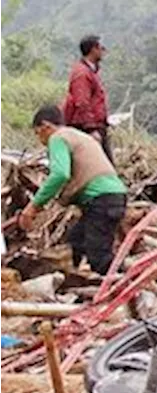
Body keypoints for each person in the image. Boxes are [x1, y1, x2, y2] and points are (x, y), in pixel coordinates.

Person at [19, 105, 127, 274]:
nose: (40, 140)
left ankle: (122, 287)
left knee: (99, 258)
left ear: (46, 127)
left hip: (100, 199)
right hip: (114, 195)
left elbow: (60, 174)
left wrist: (33, 207)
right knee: (76, 242)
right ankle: (73, 278)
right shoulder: (79, 136)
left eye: (38, 133)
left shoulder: (58, 138)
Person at [63, 34, 112, 163]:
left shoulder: (90, 72)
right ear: (93, 49)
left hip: (95, 126)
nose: (103, 51)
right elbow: (82, 103)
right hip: (87, 128)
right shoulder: (82, 73)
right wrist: (91, 129)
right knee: (101, 166)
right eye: (101, 48)